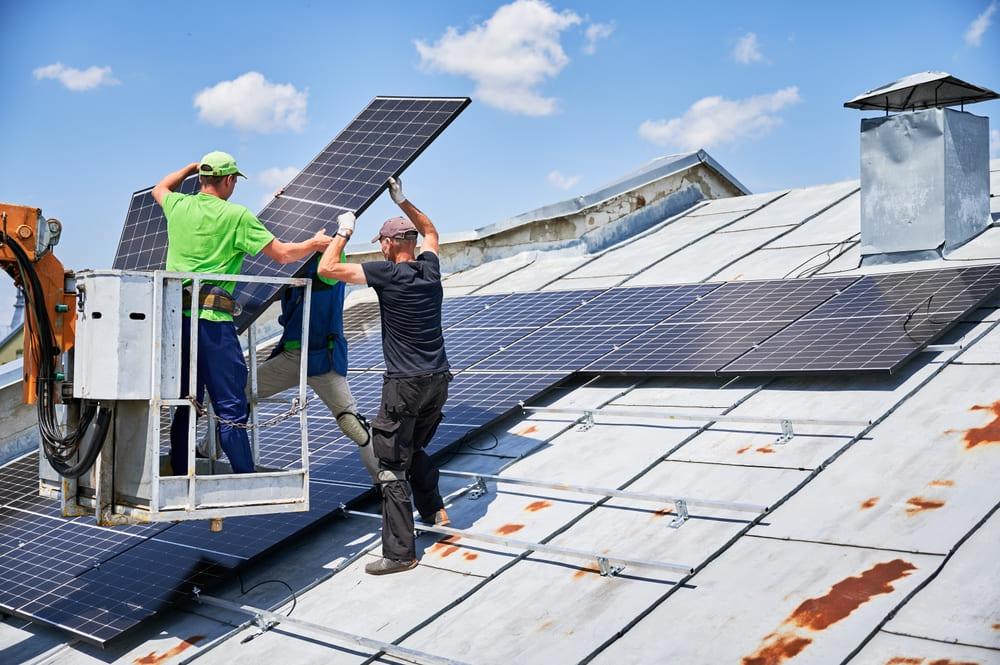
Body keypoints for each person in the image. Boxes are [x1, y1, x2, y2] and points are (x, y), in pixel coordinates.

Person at [152, 151, 332, 475]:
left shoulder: (178, 206)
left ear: (200, 178)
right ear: (230, 180)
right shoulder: (236, 216)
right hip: (212, 324)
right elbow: (281, 255)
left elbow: (160, 188)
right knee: (231, 406)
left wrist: (190, 167)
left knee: (184, 402)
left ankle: (180, 471)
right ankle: (245, 478)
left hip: (175, 322)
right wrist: (314, 243)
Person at [317, 177, 451, 575]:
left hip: (404, 385)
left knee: (389, 463)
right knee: (414, 449)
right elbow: (431, 230)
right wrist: (403, 199)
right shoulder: (430, 269)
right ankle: (437, 512)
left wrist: (343, 232)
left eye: (381, 241)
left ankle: (400, 554)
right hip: (438, 379)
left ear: (392, 245)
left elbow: (327, 268)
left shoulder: (385, 274)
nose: (379, 246)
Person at [251, 253, 378, 482]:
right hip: (295, 355)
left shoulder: (327, 262)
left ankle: (386, 482)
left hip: (321, 357)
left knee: (352, 423)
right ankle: (206, 450)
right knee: (238, 395)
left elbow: (329, 260)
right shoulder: (293, 263)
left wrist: (336, 237)